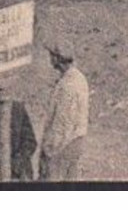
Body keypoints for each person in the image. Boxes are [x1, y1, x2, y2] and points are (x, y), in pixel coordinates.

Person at [37, 42, 89, 180]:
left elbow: (63, 121)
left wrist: (49, 148)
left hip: (64, 145)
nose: (50, 59)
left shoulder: (68, 85)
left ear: (57, 59)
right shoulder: (77, 78)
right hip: (75, 140)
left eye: (51, 56)